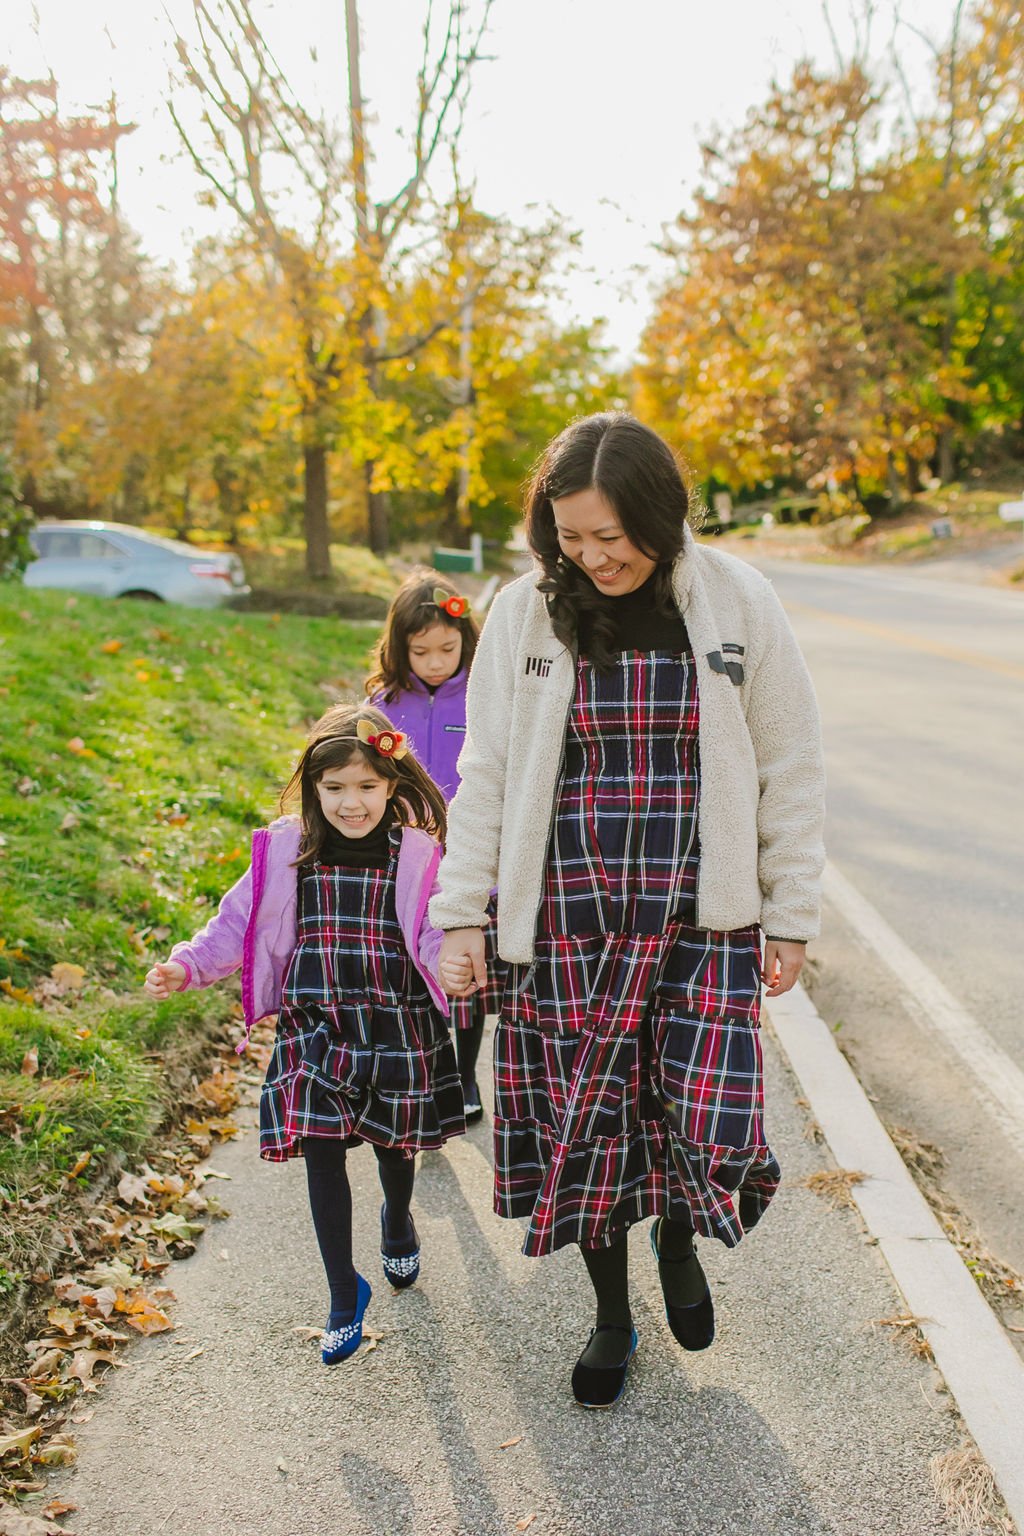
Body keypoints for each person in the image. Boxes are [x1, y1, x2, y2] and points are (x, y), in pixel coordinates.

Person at [433, 413, 825, 1409]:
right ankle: (612, 1314)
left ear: (659, 515)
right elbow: (483, 769)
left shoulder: (736, 599)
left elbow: (788, 759)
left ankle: (681, 1240)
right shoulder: (524, 612)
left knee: (697, 1116)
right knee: (591, 1126)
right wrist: (461, 915)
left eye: (612, 536)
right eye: (570, 537)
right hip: (566, 916)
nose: (592, 556)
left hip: (702, 917)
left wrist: (789, 913)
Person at [143, 702, 463, 1365]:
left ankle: (397, 1222)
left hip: (394, 1022)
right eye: (336, 788)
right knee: (321, 1146)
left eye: (367, 787)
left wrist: (454, 967)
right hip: (314, 1025)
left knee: (393, 1147)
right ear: (314, 788)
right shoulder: (289, 849)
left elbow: (435, 933)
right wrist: (188, 963)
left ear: (393, 784)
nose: (352, 803)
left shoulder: (418, 856)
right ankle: (344, 1293)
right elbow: (237, 921)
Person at [366, 568, 499, 1123]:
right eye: (422, 652)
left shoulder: (485, 697)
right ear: (401, 649)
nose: (437, 661)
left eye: (448, 648)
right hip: (404, 863)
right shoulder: (382, 702)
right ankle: (423, 1069)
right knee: (409, 970)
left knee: (465, 970)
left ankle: (465, 1077)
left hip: (470, 861)